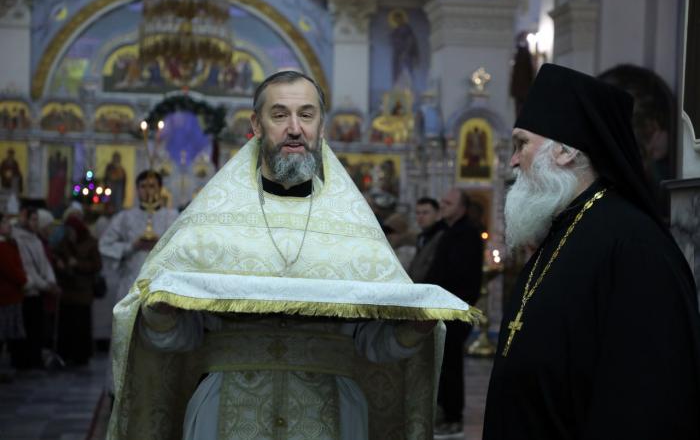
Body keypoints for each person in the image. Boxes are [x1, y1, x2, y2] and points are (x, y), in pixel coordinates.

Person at [106, 71, 477, 440]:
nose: (295, 128)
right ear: (256, 124)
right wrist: (161, 316)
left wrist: (413, 330)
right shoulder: (210, 220)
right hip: (223, 410)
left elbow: (373, 345)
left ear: (321, 126)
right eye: (280, 115)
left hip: (333, 413)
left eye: (307, 115)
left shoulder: (354, 225)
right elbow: (181, 340)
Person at [483, 63, 700, 439]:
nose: (513, 160)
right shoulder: (564, 231)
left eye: (521, 144)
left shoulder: (634, 246)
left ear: (565, 151)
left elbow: (646, 401)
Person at [425, 188, 484, 435]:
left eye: (448, 203)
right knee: (442, 363)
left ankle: (453, 417)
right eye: (442, 201)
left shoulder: (467, 233)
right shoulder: (448, 231)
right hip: (443, 306)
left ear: (462, 207)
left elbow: (458, 273)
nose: (443, 205)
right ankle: (443, 412)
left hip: (454, 309)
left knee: (451, 365)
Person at [99, 170, 179, 303]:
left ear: (160, 189)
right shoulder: (125, 217)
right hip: (131, 284)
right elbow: (105, 245)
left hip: (164, 286)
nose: (147, 191)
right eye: (143, 186)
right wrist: (132, 246)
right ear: (137, 189)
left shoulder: (173, 217)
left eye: (152, 186)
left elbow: (184, 249)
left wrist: (161, 245)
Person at [11, 206, 60, 370]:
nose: (35, 223)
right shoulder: (18, 239)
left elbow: (45, 264)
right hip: (28, 291)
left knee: (37, 329)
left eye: (37, 220)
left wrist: (51, 281)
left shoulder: (36, 239)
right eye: (33, 219)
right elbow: (27, 267)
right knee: (27, 329)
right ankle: (24, 362)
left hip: (40, 291)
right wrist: (46, 285)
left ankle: (35, 359)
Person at [53, 214, 102, 366]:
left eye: (72, 231)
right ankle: (66, 354)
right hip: (67, 290)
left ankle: (81, 356)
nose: (70, 234)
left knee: (81, 325)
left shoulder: (90, 243)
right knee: (66, 325)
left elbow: (97, 265)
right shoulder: (64, 242)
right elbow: (56, 255)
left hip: (83, 292)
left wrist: (78, 264)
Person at [0, 212, 27, 379]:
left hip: (11, 295)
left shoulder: (8, 244)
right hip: (5, 296)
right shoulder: (2, 247)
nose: (9, 225)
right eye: (4, 222)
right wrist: (23, 279)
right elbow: (10, 269)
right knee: (3, 333)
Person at [407, 197, 445, 283]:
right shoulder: (422, 237)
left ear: (438, 215)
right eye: (418, 213)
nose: (420, 216)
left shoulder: (442, 237)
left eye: (425, 213)